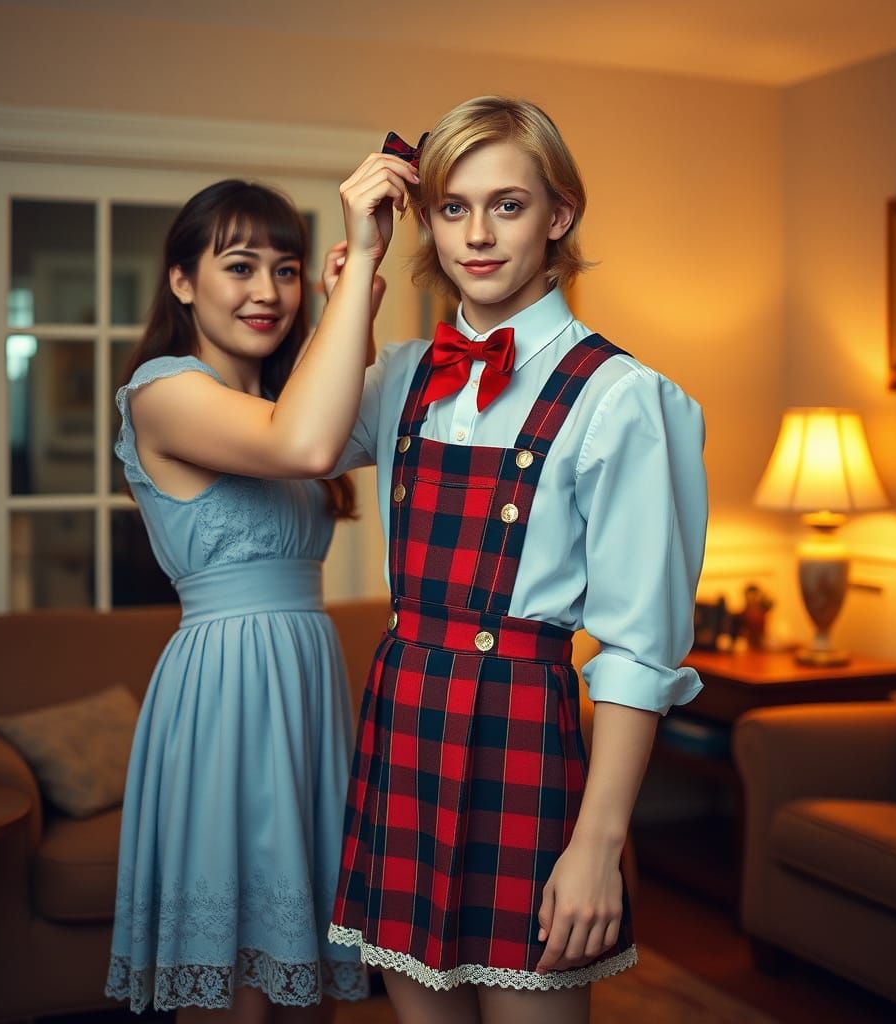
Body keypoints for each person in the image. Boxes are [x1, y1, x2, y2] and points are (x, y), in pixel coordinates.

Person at [324, 96, 709, 1023]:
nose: (478, 235)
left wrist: (597, 843)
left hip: (523, 738)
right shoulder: (401, 373)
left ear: (559, 216)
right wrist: (358, 274)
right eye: (452, 207)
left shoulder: (626, 399)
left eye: (509, 205)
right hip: (403, 721)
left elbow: (637, 650)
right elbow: (306, 442)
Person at [105, 163, 416, 1022]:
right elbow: (307, 444)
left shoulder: (284, 400)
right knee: (233, 992)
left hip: (303, 682)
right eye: (239, 265)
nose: (267, 290)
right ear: (182, 280)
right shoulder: (164, 392)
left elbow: (351, 420)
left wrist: (358, 287)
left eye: (285, 269)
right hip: (228, 688)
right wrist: (351, 294)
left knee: (296, 978)